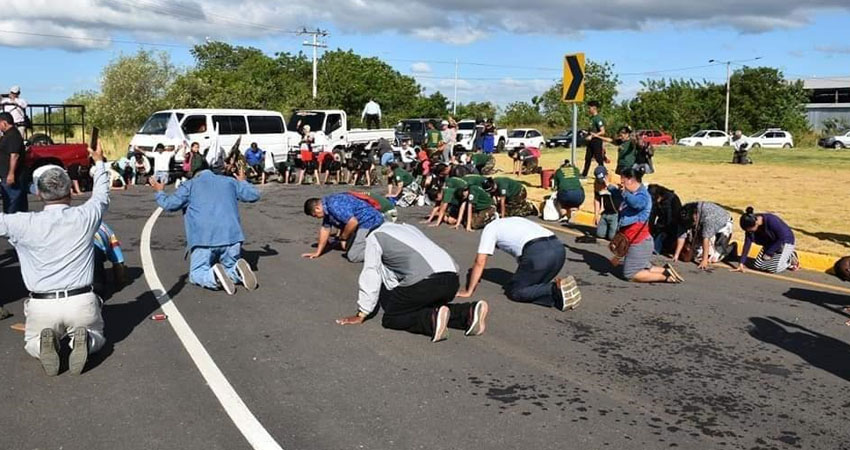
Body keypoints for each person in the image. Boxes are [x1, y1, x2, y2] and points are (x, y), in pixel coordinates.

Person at [0, 144, 108, 376]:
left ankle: (43, 344)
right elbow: (101, 195)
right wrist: (98, 162)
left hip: (42, 303)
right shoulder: (85, 216)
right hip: (81, 300)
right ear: (70, 191)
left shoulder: (20, 223)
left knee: (31, 342)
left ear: (38, 194)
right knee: (98, 335)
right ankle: (86, 340)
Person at [335, 223, 488, 342]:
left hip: (426, 281)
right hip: (452, 278)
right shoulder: (408, 228)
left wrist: (363, 312)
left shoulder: (374, 237)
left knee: (392, 318)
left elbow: (371, 273)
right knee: (423, 302)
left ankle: (430, 320)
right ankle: (468, 312)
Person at [153, 160, 260, 295]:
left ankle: (214, 277)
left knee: (197, 272)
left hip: (204, 238)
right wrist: (243, 181)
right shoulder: (229, 182)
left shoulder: (189, 185)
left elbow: (169, 204)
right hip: (232, 237)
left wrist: (159, 191)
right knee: (229, 265)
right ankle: (236, 271)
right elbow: (254, 195)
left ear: (193, 173)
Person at [456, 217, 582, 311]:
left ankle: (554, 288)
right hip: (558, 248)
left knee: (517, 292)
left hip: (538, 253)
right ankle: (561, 293)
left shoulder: (490, 228)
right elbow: (523, 263)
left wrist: (469, 291)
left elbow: (479, 262)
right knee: (535, 285)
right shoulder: (514, 220)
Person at [610, 167, 683, 283]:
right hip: (633, 240)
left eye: (623, 181)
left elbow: (636, 204)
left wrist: (624, 193)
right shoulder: (630, 193)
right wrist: (609, 186)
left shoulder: (643, 196)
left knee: (629, 274)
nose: (621, 184)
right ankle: (664, 271)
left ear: (630, 180)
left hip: (639, 241)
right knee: (641, 266)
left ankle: (665, 277)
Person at [302, 192, 385, 262]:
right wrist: (318, 252)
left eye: (315, 215)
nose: (317, 217)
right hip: (360, 223)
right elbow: (325, 230)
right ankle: (371, 244)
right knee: (346, 247)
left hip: (369, 221)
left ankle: (384, 253)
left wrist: (344, 237)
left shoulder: (333, 205)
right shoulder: (326, 208)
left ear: (317, 208)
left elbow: (353, 222)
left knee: (354, 256)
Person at [733, 207, 798, 274]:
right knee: (758, 265)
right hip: (770, 242)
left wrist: (769, 253)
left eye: (750, 229)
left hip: (785, 241)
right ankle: (780, 257)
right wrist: (741, 263)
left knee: (774, 268)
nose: (749, 231)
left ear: (756, 223)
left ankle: (790, 258)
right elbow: (747, 243)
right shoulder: (750, 225)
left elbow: (782, 238)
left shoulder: (771, 220)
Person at [673, 201, 734, 270]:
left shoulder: (708, 217)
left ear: (695, 215)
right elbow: (681, 236)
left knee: (713, 259)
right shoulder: (684, 215)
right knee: (697, 255)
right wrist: (676, 255)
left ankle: (731, 248)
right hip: (702, 226)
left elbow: (706, 239)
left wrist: (704, 261)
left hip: (723, 225)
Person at [0, 112, 28, 213]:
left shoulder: (13, 135)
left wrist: (11, 174)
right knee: (10, 203)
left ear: (4, 123)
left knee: (13, 205)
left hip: (12, 177)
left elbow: (14, 155)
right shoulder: (7, 135)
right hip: (6, 175)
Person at [92, 222, 127, 295]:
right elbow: (118, 261)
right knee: (98, 283)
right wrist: (120, 281)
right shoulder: (105, 228)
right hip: (95, 250)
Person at [647, 184, 682, 255]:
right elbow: (652, 216)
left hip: (673, 225)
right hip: (661, 225)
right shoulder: (655, 201)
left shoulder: (673, 199)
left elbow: (677, 215)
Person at [581, 100, 608, 177]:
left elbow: (602, 131)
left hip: (596, 141)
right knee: (588, 158)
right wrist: (586, 133)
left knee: (599, 158)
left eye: (589, 108)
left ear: (594, 108)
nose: (588, 109)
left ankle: (604, 173)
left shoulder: (598, 119)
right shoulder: (591, 118)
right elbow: (592, 131)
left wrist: (592, 136)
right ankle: (584, 174)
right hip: (590, 142)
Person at [593, 168, 621, 240]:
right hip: (606, 212)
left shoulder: (616, 179)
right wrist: (596, 215)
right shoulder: (597, 184)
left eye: (603, 179)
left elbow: (622, 195)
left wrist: (609, 185)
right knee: (599, 234)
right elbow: (597, 199)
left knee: (612, 237)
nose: (602, 182)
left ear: (607, 175)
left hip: (616, 213)